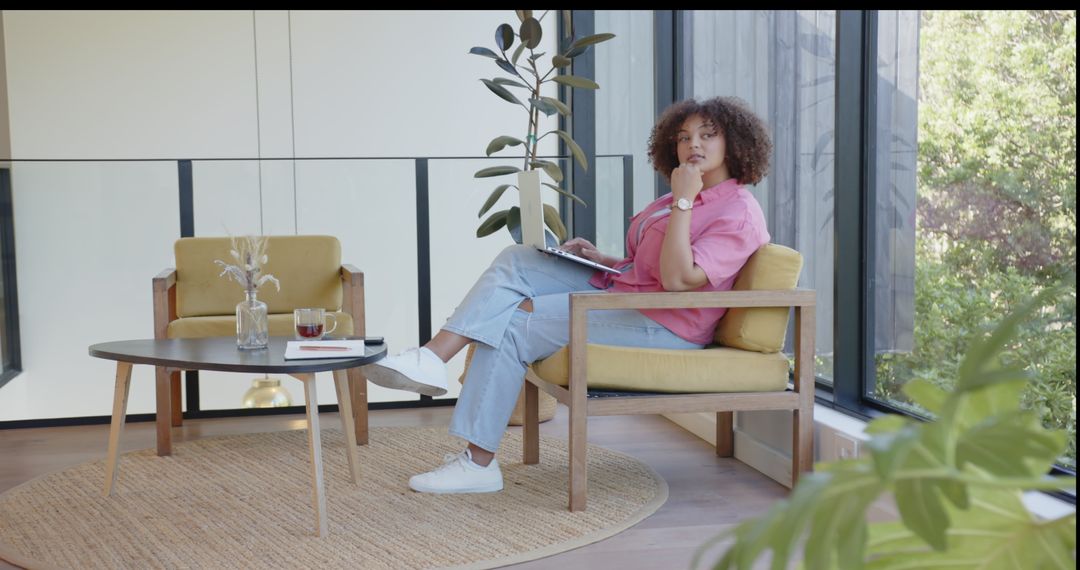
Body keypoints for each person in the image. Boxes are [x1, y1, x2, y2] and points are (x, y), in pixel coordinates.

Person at [362, 96, 773, 494]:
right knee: (519, 259)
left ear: (734, 144)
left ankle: (478, 464)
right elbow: (649, 265)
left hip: (664, 322)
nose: (693, 145)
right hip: (626, 290)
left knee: (514, 323)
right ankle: (432, 358)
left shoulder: (736, 211)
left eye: (707, 135)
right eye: (684, 137)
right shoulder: (681, 196)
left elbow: (679, 281)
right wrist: (604, 258)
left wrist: (683, 198)